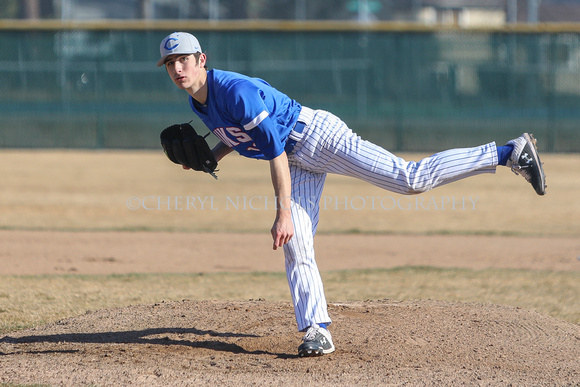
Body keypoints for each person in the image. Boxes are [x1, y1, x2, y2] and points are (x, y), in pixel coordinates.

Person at [156, 32, 546, 357]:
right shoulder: (198, 101)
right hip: (296, 159)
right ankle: (317, 330)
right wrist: (210, 155)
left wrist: (283, 211)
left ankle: (508, 153)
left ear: (201, 59)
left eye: (183, 60)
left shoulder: (235, 91)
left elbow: (272, 148)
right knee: (297, 245)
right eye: (170, 63)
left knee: (409, 179)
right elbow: (241, 137)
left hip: (317, 137)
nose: (177, 69)